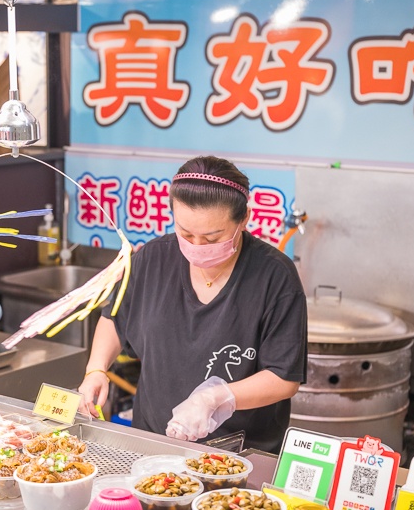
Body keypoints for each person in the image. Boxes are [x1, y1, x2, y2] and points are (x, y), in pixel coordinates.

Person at [76, 156, 307, 453]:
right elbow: (115, 318)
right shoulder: (152, 260)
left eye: (213, 237)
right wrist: (96, 369)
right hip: (152, 445)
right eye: (185, 234)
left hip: (238, 455)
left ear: (243, 220)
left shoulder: (275, 277)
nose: (196, 246)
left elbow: (283, 378)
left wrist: (215, 398)